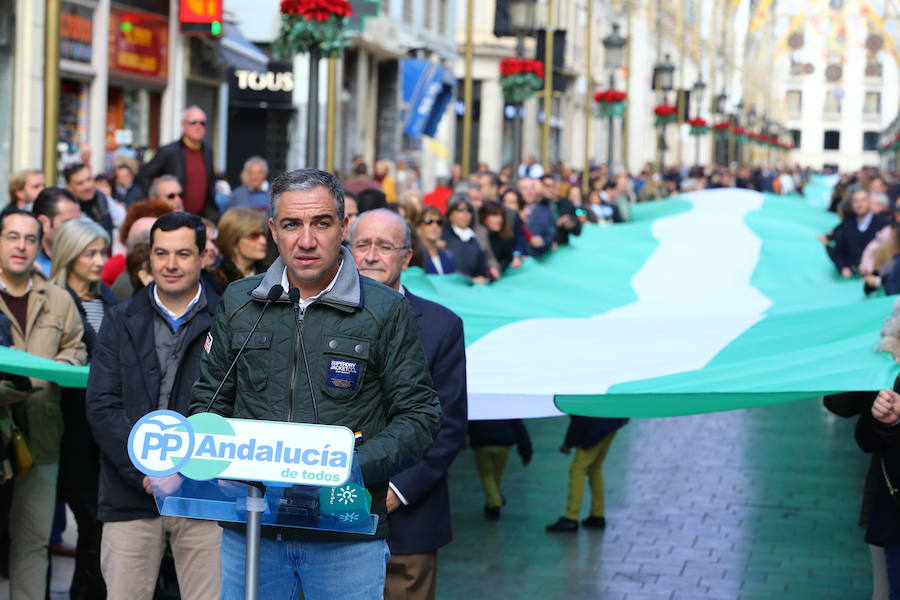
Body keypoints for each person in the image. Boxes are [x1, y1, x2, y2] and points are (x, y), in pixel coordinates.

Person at [190, 168, 441, 599]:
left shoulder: (383, 310)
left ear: (343, 226)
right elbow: (207, 402)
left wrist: (347, 467)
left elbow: (420, 416)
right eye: (291, 224)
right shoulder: (239, 303)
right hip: (253, 526)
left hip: (344, 534)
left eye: (320, 223)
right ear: (273, 230)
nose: (306, 240)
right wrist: (213, 457)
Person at [86, 212, 222, 600]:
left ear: (203, 257)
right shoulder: (119, 319)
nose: (171, 264)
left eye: (182, 253)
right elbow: (101, 404)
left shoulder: (229, 322)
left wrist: (187, 473)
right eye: (161, 253)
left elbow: (236, 404)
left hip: (204, 497)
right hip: (130, 495)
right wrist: (145, 471)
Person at [348, 209, 467, 600]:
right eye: (362, 244)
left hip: (408, 521)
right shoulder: (313, 315)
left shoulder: (441, 326)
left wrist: (397, 491)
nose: (370, 256)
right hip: (326, 516)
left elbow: (447, 425)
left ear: (407, 256)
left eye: (384, 246)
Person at [0, 207, 87, 599]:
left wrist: (50, 370)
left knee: (33, 540)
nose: (21, 246)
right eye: (12, 237)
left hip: (43, 434)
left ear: (41, 245)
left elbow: (76, 349)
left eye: (30, 239)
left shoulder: (58, 299)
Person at [50, 218, 118, 599]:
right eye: (90, 253)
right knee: (88, 521)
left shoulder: (108, 297)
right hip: (68, 427)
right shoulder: (55, 299)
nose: (98, 261)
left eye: (102, 252)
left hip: (101, 430)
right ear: (70, 254)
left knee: (96, 526)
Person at [545, 416, 628, 533]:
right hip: (612, 422)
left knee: (577, 468)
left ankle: (571, 517)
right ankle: (597, 515)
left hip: (596, 425)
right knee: (595, 467)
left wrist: (568, 443)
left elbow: (580, 417)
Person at [137, 106, 219, 221]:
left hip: (201, 217)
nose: (198, 126)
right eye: (193, 122)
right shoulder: (169, 151)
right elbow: (143, 175)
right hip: (174, 217)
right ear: (183, 126)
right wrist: (157, 198)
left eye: (202, 123)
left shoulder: (207, 150)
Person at [468, 419, 531, 520]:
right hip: (504, 443)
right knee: (497, 474)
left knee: (486, 475)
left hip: (482, 442)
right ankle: (494, 500)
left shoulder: (479, 405)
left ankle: (493, 503)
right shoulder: (506, 406)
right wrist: (526, 453)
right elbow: (520, 429)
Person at [208, 207, 269, 294]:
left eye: (263, 234)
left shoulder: (271, 274)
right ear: (233, 242)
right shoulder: (216, 280)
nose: (263, 241)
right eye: (253, 236)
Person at [834, 190, 890, 278]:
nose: (859, 204)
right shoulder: (848, 225)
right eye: (856, 201)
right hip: (850, 275)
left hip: (873, 277)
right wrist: (843, 267)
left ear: (869, 202)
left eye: (863, 200)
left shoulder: (883, 224)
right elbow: (838, 251)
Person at [32, 187, 83, 277]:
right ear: (44, 223)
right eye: (68, 223)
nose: (76, 230)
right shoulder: (26, 264)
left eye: (78, 223)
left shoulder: (85, 259)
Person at [442, 196, 488, 283]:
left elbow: (480, 268)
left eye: (469, 210)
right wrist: (470, 279)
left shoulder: (473, 238)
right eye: (460, 210)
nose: (465, 214)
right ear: (450, 214)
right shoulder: (443, 237)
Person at [63, 163, 115, 237]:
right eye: (80, 183)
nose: (87, 186)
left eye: (89, 179)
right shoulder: (65, 208)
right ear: (69, 187)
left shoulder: (102, 198)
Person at [518, 178, 555, 256]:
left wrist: (543, 242)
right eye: (525, 188)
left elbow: (552, 235)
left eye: (532, 188)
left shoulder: (545, 211)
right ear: (518, 191)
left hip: (538, 258)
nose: (529, 192)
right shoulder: (512, 211)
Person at [415, 207, 455, 275]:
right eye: (428, 221)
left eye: (439, 222)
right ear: (418, 227)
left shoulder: (449, 257)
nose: (435, 225)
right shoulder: (414, 257)